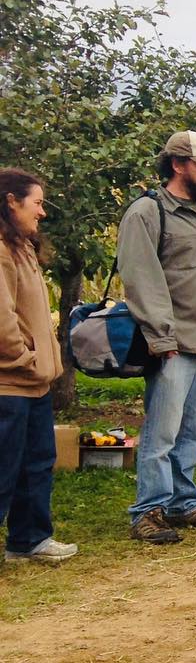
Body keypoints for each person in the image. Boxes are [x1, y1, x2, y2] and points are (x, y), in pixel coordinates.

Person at [118, 130, 196, 544]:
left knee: (194, 432)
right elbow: (140, 279)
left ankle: (182, 502)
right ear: (177, 164)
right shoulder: (147, 212)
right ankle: (148, 509)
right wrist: (162, 337)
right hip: (173, 341)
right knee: (162, 431)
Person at [0, 168, 75, 564]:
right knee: (4, 468)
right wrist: (23, 357)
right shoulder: (1, 250)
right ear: (11, 201)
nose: (42, 212)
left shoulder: (22, 246)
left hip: (35, 382)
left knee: (37, 464)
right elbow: (2, 318)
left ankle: (29, 539)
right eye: (38, 203)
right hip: (9, 384)